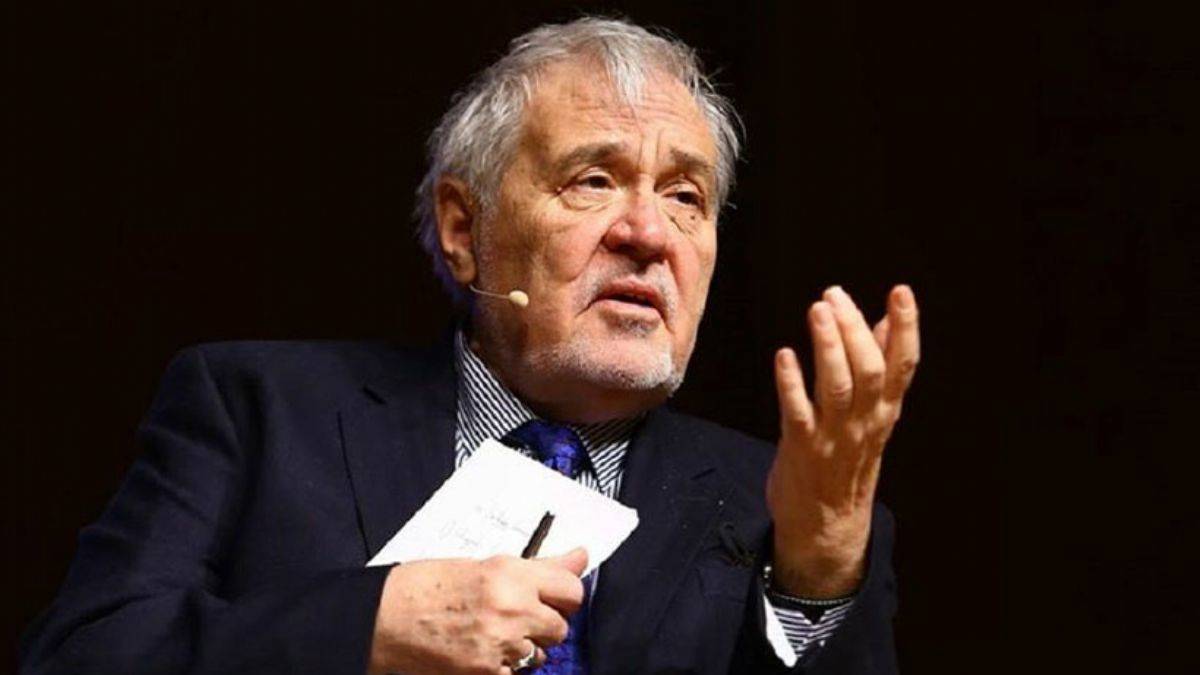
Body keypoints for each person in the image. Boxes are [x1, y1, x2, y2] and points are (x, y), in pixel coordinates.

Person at [20, 17, 918, 675]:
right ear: (463, 229)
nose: (649, 232)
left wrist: (817, 573)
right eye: (593, 180)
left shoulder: (790, 514)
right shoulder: (256, 408)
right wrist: (367, 628)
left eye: (687, 197)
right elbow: (79, 657)